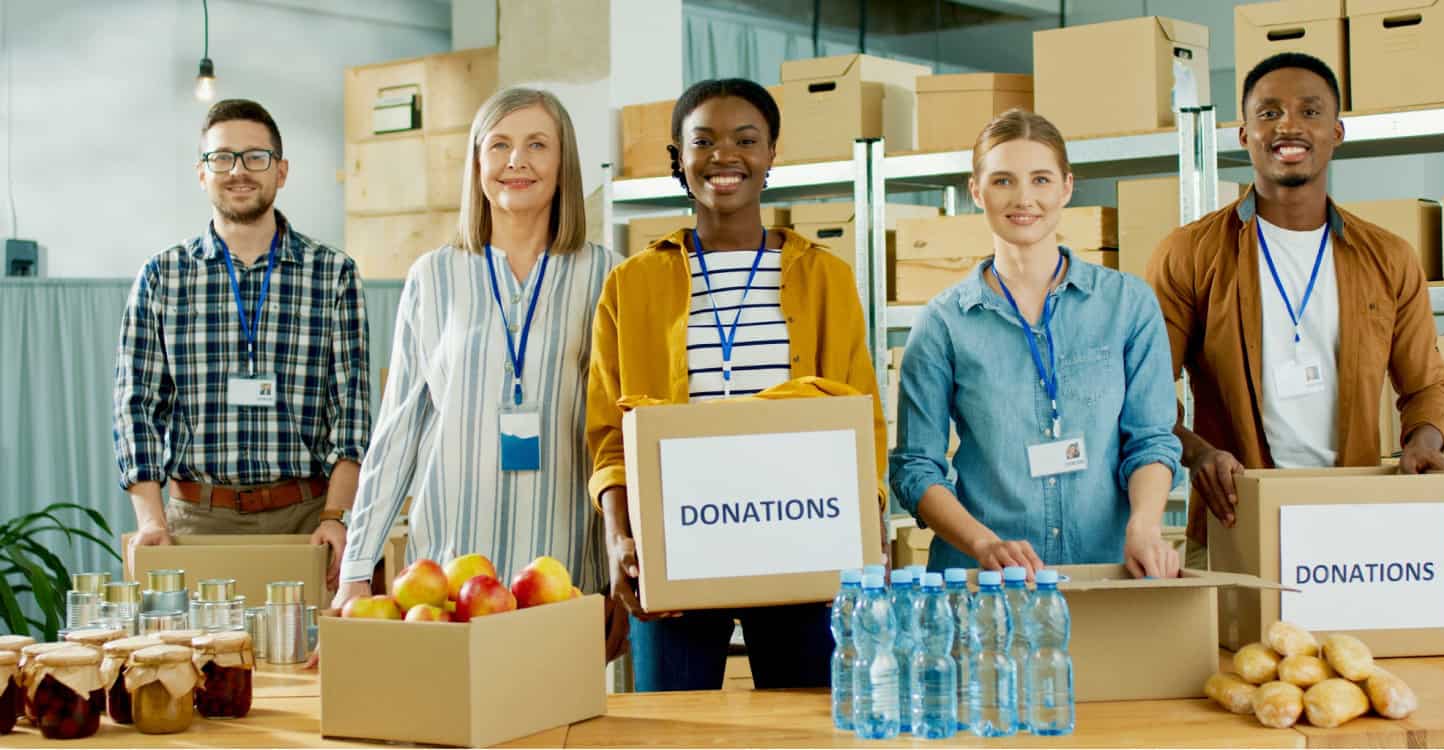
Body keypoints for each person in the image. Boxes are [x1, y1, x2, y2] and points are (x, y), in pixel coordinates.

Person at [587, 78, 886, 691]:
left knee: (806, 728)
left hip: (800, 534)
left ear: (772, 154)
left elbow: (861, 420)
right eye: (703, 141)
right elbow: (609, 436)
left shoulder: (825, 278)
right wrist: (620, 539)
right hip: (676, 546)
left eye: (745, 140)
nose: (724, 156)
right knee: (671, 731)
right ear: (678, 157)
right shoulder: (631, 284)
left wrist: (869, 529)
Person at [334, 88, 623, 652]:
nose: (517, 161)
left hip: (565, 574)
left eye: (538, 144)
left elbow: (619, 434)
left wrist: (620, 574)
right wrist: (356, 567)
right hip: (449, 577)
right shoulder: (433, 277)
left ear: (563, 164)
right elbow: (398, 431)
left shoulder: (605, 274)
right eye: (499, 145)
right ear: (477, 163)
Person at [1148, 52, 1444, 566]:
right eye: (1268, 113)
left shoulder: (1389, 257)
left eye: (1309, 112)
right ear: (1244, 134)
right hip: (1236, 520)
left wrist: (1424, 440)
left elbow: (1428, 385)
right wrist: (1198, 453)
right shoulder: (1190, 254)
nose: (1288, 126)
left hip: (1354, 526)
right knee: (1237, 651)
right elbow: (1146, 395)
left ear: (1336, 132)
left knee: (1348, 650)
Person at [890, 109, 1183, 581]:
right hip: (986, 584)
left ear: (1066, 187)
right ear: (976, 191)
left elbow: (1150, 440)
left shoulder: (1127, 305)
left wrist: (1145, 525)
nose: (1024, 198)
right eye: (1003, 181)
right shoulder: (943, 323)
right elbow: (916, 468)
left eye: (1041, 179)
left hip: (1106, 573)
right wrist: (983, 544)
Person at [114, 99, 369, 589]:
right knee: (196, 665)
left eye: (256, 157)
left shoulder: (334, 275)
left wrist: (337, 515)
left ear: (282, 170)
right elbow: (136, 405)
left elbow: (352, 412)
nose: (238, 171)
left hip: (307, 520)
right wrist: (151, 520)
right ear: (201, 172)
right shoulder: (162, 276)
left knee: (311, 663)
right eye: (222, 158)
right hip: (194, 522)